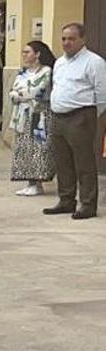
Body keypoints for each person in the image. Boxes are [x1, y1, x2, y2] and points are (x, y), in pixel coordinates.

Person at [43, 22, 106, 220]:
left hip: (81, 116)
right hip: (58, 116)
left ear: (82, 39)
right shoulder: (60, 62)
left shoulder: (94, 62)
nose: (67, 43)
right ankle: (66, 200)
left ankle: (87, 204)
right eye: (64, 39)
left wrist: (92, 117)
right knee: (63, 161)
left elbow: (102, 93)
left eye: (71, 39)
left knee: (84, 162)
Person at [9, 40, 57, 196]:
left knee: (38, 148)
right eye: (23, 52)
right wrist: (19, 94)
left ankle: (38, 182)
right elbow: (14, 90)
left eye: (27, 52)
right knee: (24, 148)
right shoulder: (23, 72)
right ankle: (29, 181)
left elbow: (38, 91)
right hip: (22, 115)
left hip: (39, 115)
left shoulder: (46, 71)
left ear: (37, 54)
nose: (24, 55)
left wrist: (20, 94)